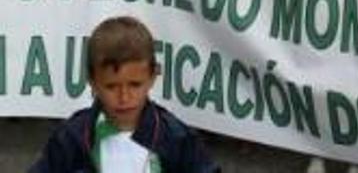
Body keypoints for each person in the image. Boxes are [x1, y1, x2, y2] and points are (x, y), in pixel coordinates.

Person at [30, 16, 218, 172]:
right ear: (92, 82)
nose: (124, 97)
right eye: (111, 86)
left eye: (135, 85)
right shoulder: (72, 137)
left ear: (153, 77)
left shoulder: (176, 138)